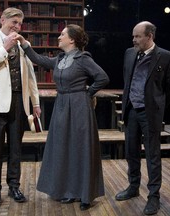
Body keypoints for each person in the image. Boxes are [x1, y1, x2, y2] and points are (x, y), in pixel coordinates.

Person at [16, 24, 110, 210]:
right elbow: (40, 60)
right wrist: (25, 44)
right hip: (61, 107)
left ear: (72, 39)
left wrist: (87, 93)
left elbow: (102, 77)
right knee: (64, 147)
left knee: (80, 148)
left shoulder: (83, 59)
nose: (59, 37)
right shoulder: (60, 59)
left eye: (62, 34)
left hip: (79, 107)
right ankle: (69, 190)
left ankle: (85, 194)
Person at [0, 7, 41, 210]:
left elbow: (30, 75)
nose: (17, 26)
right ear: (2, 20)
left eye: (19, 23)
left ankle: (14, 186)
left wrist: (36, 102)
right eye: (13, 22)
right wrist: (4, 47)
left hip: (18, 103)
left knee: (16, 149)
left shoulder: (23, 44)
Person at [115, 21, 170, 215]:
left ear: (149, 36)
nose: (133, 40)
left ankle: (153, 196)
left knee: (152, 155)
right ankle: (133, 187)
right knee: (131, 151)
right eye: (133, 36)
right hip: (132, 110)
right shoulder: (129, 53)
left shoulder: (166, 57)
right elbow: (128, 79)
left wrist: (157, 106)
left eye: (137, 36)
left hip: (150, 113)